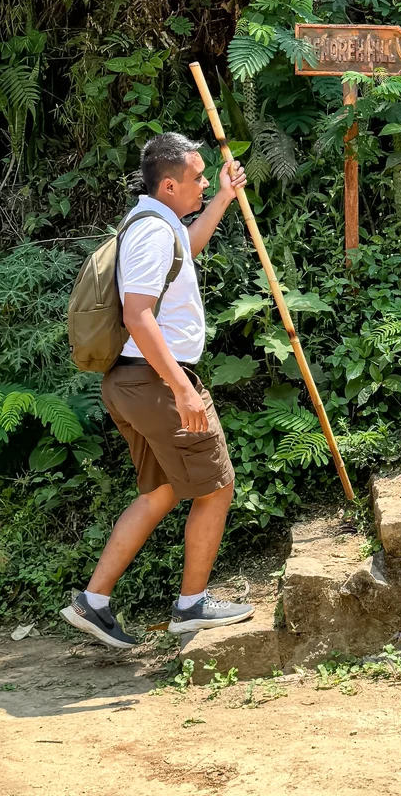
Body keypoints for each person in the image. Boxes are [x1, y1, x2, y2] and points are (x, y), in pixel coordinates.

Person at [61, 132, 255, 649]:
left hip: (135, 382)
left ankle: (93, 602)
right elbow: (138, 315)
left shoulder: (159, 224)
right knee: (216, 486)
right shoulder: (150, 233)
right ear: (168, 184)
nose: (201, 183)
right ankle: (191, 606)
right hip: (155, 383)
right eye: (196, 179)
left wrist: (221, 198)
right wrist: (183, 391)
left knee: (162, 490)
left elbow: (187, 250)